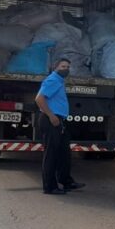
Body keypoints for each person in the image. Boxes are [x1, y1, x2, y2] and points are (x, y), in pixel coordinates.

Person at [35, 58, 85, 195]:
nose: (66, 69)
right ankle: (49, 187)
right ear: (55, 67)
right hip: (51, 120)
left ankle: (66, 181)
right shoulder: (53, 80)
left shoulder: (59, 81)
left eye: (68, 66)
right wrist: (51, 115)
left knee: (64, 153)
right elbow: (39, 99)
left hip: (59, 121)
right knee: (51, 154)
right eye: (63, 66)